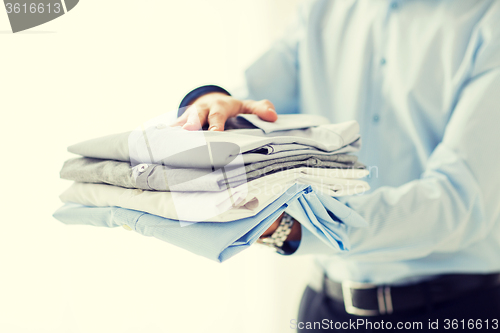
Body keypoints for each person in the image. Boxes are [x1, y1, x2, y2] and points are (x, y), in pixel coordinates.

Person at [174, 0, 500, 331]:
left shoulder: (490, 21)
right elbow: (251, 106)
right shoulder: (323, 9)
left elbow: (459, 201)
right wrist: (211, 102)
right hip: (323, 310)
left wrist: (299, 227)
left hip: (453, 313)